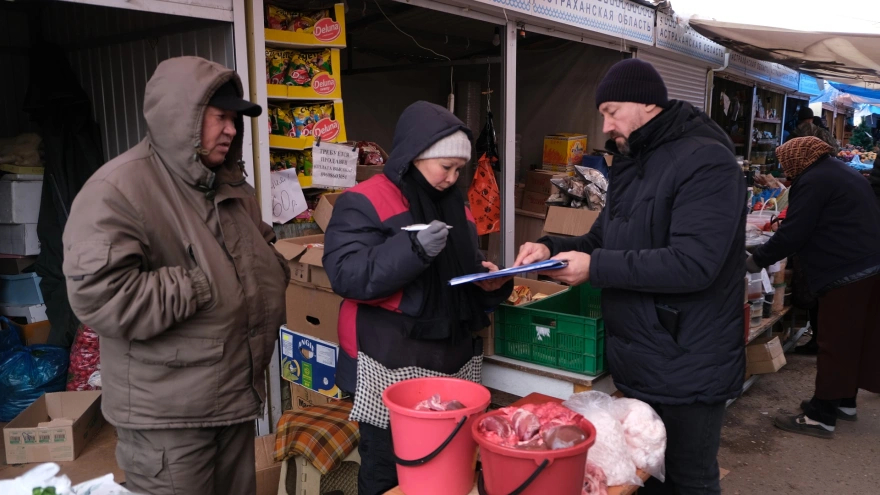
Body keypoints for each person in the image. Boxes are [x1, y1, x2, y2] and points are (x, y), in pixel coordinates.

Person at [514, 59, 746, 494]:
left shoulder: (706, 162)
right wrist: (549, 248)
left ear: (648, 105)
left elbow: (694, 263)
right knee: (644, 473)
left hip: (688, 360)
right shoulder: (633, 163)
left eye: (612, 111)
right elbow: (603, 238)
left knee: (687, 478)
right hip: (643, 354)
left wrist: (595, 268)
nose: (605, 125)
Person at [62, 57, 289, 494]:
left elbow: (260, 244)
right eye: (220, 117)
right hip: (169, 419)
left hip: (233, 400)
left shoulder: (232, 186)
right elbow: (100, 296)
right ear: (182, 118)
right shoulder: (118, 189)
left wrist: (271, 270)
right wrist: (198, 285)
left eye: (235, 120)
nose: (231, 130)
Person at [322, 101, 513, 495]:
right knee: (389, 470)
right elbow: (347, 275)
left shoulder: (457, 203)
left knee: (447, 471)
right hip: (390, 365)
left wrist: (490, 282)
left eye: (459, 170)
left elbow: (465, 265)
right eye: (446, 167)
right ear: (415, 156)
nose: (452, 177)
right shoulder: (364, 200)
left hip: (454, 362)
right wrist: (414, 249)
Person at [746, 136, 880, 439]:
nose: (785, 170)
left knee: (834, 343)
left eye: (786, 164)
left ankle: (821, 416)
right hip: (868, 264)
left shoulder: (814, 180)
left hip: (847, 270)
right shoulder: (836, 171)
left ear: (798, 158)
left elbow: (794, 232)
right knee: (853, 341)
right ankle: (844, 402)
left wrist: (755, 261)